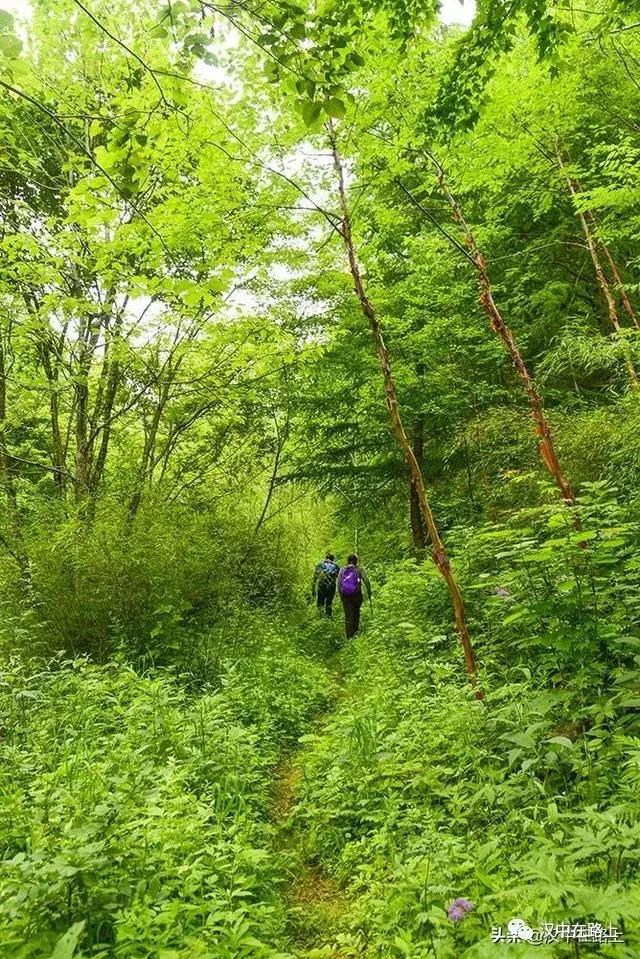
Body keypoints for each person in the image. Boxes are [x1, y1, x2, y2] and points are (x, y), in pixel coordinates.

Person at [337, 554, 371, 639]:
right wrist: (369, 591)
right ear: (356, 561)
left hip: (346, 596)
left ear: (347, 561)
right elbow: (366, 580)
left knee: (348, 616)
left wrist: (341, 595)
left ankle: (349, 637)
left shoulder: (342, 570)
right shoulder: (359, 569)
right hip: (357, 596)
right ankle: (355, 633)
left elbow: (339, 583)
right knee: (356, 614)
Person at [310, 552, 340, 617]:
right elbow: (338, 577)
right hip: (332, 586)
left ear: (325, 558)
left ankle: (320, 618)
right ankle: (328, 618)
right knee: (329, 603)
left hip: (321, 585)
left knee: (320, 603)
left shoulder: (320, 564)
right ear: (333, 559)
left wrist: (313, 588)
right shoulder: (336, 566)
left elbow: (315, 577)